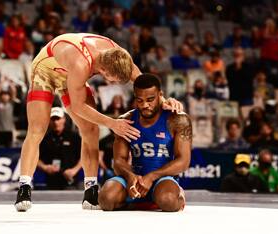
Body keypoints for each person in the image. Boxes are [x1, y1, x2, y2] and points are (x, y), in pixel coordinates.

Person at [14, 33, 183, 211]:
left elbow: (145, 84)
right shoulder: (81, 64)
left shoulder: (120, 56)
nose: (112, 84)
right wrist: (112, 123)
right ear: (103, 71)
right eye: (113, 80)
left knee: (91, 130)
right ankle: (24, 186)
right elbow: (78, 107)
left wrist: (165, 101)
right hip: (46, 71)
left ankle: (90, 189)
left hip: (71, 75)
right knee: (37, 129)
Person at [98, 74, 192, 212]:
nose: (145, 105)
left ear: (160, 94)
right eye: (139, 100)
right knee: (106, 199)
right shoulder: (126, 120)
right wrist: (131, 177)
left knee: (168, 200)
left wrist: (151, 177)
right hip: (134, 178)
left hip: (162, 179)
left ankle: (178, 195)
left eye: (150, 100)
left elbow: (183, 161)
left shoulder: (177, 119)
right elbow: (118, 161)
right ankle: (135, 202)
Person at [37, 107, 82, 190]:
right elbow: (35, 159)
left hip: (70, 181)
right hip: (51, 181)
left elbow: (85, 157)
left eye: (58, 119)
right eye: (53, 119)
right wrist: (45, 167)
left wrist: (74, 170)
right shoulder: (44, 138)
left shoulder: (74, 137)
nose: (55, 122)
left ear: (64, 119)